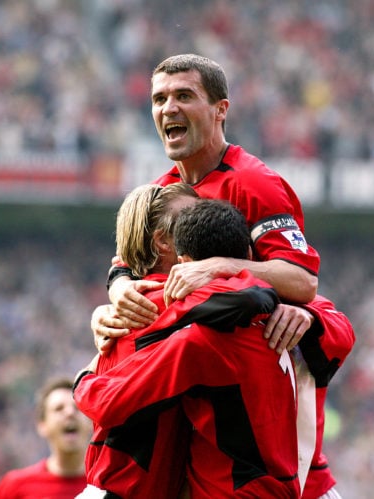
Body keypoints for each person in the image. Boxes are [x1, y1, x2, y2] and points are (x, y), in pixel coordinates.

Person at [93, 53, 350, 499]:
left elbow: (302, 281)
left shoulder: (254, 184)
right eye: (159, 98)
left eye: (183, 96)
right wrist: (114, 298)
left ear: (220, 110)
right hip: (200, 459)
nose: (167, 108)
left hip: (267, 447)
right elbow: (123, 265)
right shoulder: (163, 192)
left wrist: (226, 265)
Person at [75, 199, 301, 497]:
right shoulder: (283, 316)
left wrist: (83, 379)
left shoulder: (196, 335)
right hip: (283, 486)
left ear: (183, 263)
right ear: (248, 254)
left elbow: (108, 403)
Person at [0, 377, 91, 499]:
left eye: (77, 408)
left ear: (91, 421)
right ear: (42, 425)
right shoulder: (15, 487)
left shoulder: (109, 486)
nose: (69, 413)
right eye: (59, 409)